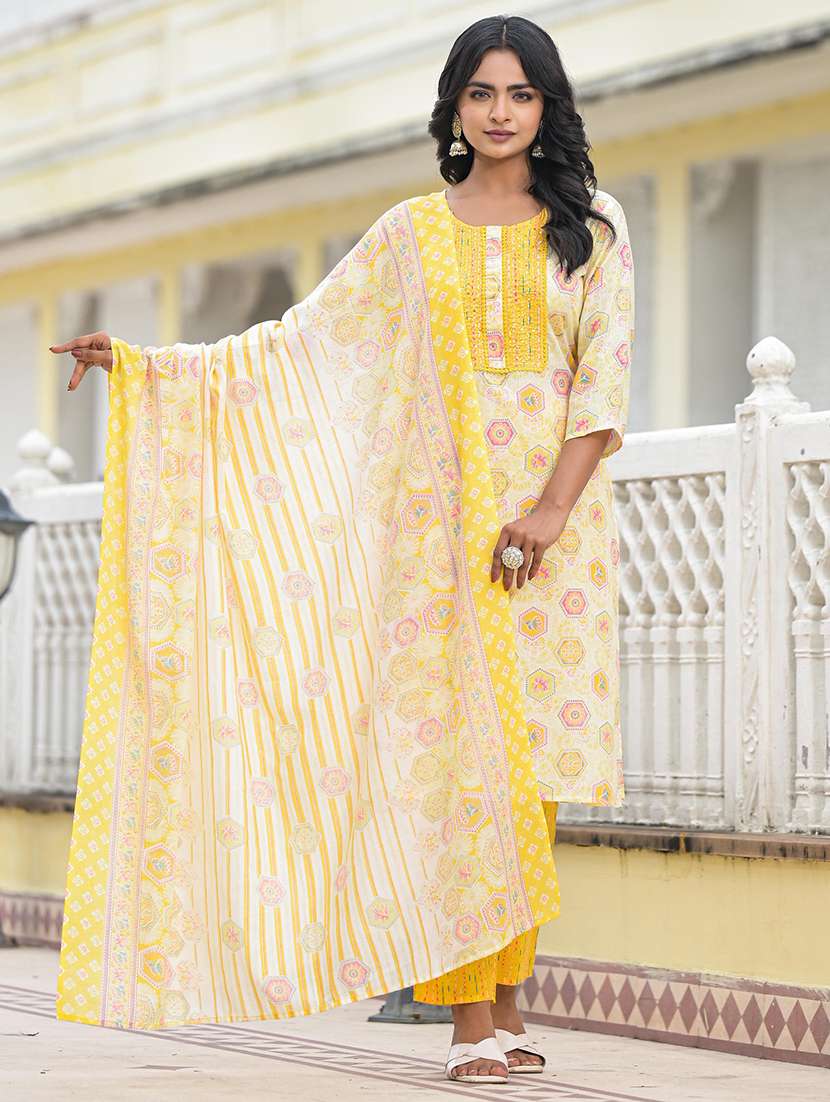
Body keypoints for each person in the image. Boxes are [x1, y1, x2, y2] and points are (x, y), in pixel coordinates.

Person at [51, 14, 633, 1086]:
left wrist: (551, 510)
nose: (500, 112)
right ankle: (468, 1022)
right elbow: (298, 344)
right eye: (480, 93)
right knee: (456, 777)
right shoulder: (409, 235)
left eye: (520, 93)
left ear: (548, 106)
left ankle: (508, 1005)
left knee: (527, 787)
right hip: (437, 539)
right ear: (453, 108)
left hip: (559, 538)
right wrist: (152, 368)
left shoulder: (592, 226)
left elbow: (603, 379)